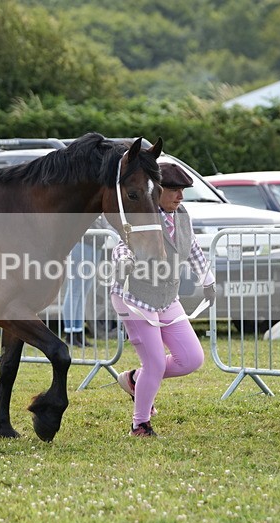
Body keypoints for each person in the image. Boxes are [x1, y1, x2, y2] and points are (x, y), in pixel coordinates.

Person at [110, 162, 216, 437]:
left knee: (191, 359)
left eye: (183, 190)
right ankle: (140, 424)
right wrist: (124, 262)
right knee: (155, 363)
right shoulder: (143, 214)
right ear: (156, 191)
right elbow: (122, 245)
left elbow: (191, 247)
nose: (180, 196)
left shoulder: (182, 215)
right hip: (134, 297)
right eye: (174, 190)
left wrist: (207, 280)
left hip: (167, 296)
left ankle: (135, 379)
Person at [62, 216, 108, 347]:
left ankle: (79, 332)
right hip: (81, 242)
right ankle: (70, 333)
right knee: (75, 290)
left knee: (84, 292)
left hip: (96, 243)